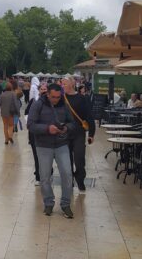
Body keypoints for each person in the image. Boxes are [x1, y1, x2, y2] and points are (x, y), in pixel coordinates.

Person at [28, 83, 76, 218]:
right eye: (53, 97)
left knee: (67, 173)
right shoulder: (38, 105)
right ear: (47, 94)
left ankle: (66, 204)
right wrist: (47, 129)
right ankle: (48, 202)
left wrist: (66, 127)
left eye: (58, 97)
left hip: (61, 144)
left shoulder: (63, 105)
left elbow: (72, 123)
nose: (56, 99)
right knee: (44, 176)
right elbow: (30, 125)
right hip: (43, 145)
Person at [62, 76, 96, 191]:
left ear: (72, 84)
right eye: (62, 84)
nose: (63, 86)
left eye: (65, 84)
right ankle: (69, 180)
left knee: (79, 158)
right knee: (67, 160)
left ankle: (80, 178)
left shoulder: (82, 98)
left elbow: (89, 116)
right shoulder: (61, 98)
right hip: (65, 132)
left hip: (79, 133)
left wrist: (91, 133)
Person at [27, 77, 44, 186]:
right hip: (35, 133)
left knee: (46, 156)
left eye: (45, 90)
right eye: (42, 89)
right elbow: (26, 114)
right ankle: (38, 175)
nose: (43, 91)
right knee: (37, 155)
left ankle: (47, 171)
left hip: (47, 134)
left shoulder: (53, 103)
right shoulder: (33, 101)